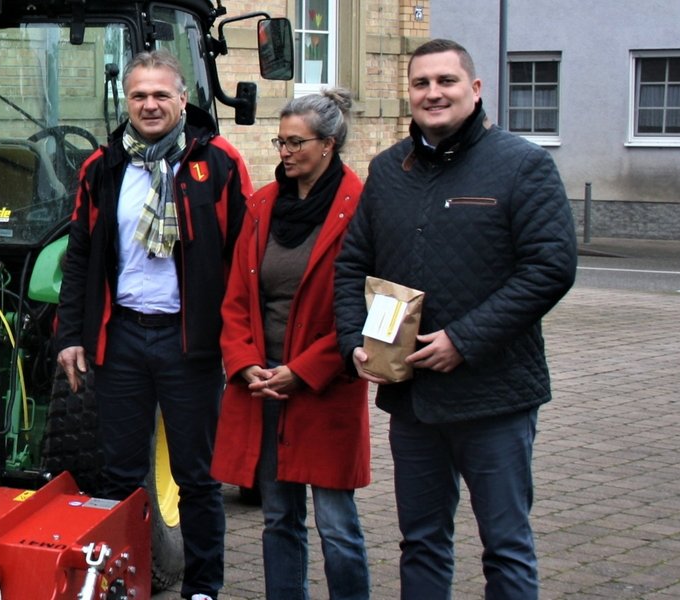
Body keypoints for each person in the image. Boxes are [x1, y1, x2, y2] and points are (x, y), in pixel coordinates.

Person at [335, 38, 577, 600]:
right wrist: (352, 340)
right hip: (413, 400)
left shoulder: (522, 165)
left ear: (475, 88)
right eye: (421, 83)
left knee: (506, 546)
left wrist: (464, 341)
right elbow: (351, 265)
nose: (433, 93)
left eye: (446, 81)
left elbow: (550, 268)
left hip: (494, 396)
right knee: (420, 542)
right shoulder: (388, 170)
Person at [52, 50, 250, 600]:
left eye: (161, 94)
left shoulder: (219, 164)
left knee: (197, 477)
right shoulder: (102, 168)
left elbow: (243, 258)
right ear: (127, 101)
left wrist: (240, 344)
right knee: (120, 476)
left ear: (182, 99)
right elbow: (80, 256)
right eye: (139, 95)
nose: (150, 104)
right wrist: (70, 336)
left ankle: (203, 587)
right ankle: (125, 582)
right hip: (122, 339)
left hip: (190, 343)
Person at [211, 88, 369, 600]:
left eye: (295, 142)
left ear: (328, 144)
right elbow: (236, 299)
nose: (284, 151)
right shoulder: (263, 205)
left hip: (324, 387)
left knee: (336, 523)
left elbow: (366, 306)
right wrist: (244, 363)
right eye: (280, 141)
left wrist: (303, 371)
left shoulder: (360, 208)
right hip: (264, 385)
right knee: (278, 518)